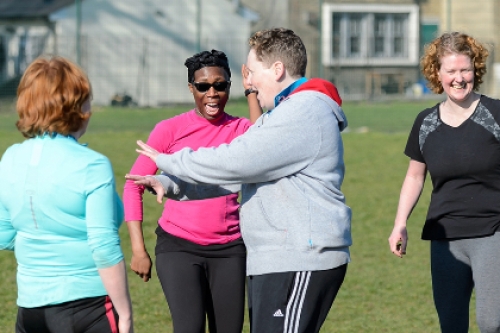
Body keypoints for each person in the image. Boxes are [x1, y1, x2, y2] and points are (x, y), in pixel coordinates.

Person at [127, 27, 351, 333]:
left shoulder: (302, 112)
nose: (251, 83)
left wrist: (167, 162)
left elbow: (235, 162)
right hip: (275, 257)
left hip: (299, 255)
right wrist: (170, 185)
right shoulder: (285, 112)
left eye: (253, 73)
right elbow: (241, 176)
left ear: (277, 69)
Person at [123, 49, 261, 333]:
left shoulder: (240, 129)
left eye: (220, 85)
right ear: (191, 88)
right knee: (189, 327)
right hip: (178, 248)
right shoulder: (169, 130)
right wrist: (138, 249)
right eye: (203, 86)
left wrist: (252, 93)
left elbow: (263, 146)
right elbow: (132, 185)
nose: (212, 93)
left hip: (230, 249)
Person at [0, 56, 133, 333]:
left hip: (30, 310)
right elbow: (104, 247)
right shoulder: (92, 164)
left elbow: (5, 234)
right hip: (88, 307)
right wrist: (125, 314)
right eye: (86, 100)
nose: (90, 109)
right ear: (73, 107)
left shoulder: (10, 158)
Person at [388, 32, 500, 333]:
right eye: (451, 71)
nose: (459, 78)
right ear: (437, 73)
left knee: (493, 324)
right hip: (445, 237)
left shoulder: (496, 114)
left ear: (475, 69)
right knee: (451, 326)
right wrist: (400, 223)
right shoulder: (426, 122)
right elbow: (415, 175)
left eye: (465, 69)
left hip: (493, 231)